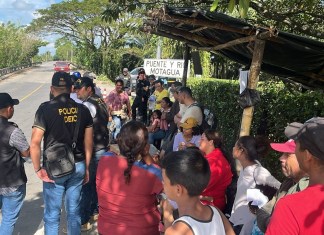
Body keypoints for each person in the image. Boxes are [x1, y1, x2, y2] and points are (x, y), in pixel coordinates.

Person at [30, 71, 93, 235]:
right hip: (78, 165)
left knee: (52, 215)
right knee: (74, 212)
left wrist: (37, 169)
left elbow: (35, 143)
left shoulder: (45, 109)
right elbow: (88, 143)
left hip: (54, 168)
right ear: (72, 88)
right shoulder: (83, 110)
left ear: (52, 89)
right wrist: (86, 167)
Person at [96, 121, 163, 235]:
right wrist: (146, 155)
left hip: (106, 230)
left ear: (119, 140)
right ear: (145, 146)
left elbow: (115, 155)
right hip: (143, 230)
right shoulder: (152, 173)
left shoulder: (104, 159)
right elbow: (165, 187)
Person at [267, 117, 324, 234]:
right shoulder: (287, 188)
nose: (281, 158)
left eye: (297, 144)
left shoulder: (290, 208)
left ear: (307, 155)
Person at [161, 149, 234, 235]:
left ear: (178, 190)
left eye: (164, 181)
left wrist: (167, 215)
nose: (162, 183)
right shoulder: (217, 212)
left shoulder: (176, 231)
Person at [74, 76, 110, 231]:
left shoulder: (88, 105)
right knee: (96, 182)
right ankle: (95, 211)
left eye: (79, 88)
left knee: (87, 185)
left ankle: (82, 220)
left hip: (94, 149)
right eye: (75, 88)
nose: (76, 92)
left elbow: (80, 130)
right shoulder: (100, 101)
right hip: (102, 147)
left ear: (89, 89)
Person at [229, 136, 281, 235]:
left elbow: (280, 188)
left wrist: (261, 205)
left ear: (241, 150)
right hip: (237, 220)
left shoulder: (258, 171)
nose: (233, 148)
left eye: (235, 146)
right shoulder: (245, 168)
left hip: (246, 225)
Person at [255, 139, 308, 233]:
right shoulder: (287, 184)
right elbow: (263, 211)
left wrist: (275, 223)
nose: (281, 158)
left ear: (304, 157)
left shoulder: (312, 189)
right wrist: (274, 223)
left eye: (287, 155)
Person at [0, 93, 30, 235]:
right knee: (8, 219)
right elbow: (26, 153)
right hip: (12, 183)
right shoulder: (13, 131)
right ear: (9, 108)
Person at [198, 130, 233, 212]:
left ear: (211, 142)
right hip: (204, 200)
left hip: (211, 205)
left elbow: (202, 186)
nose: (199, 141)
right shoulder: (211, 157)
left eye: (202, 139)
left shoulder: (215, 162)